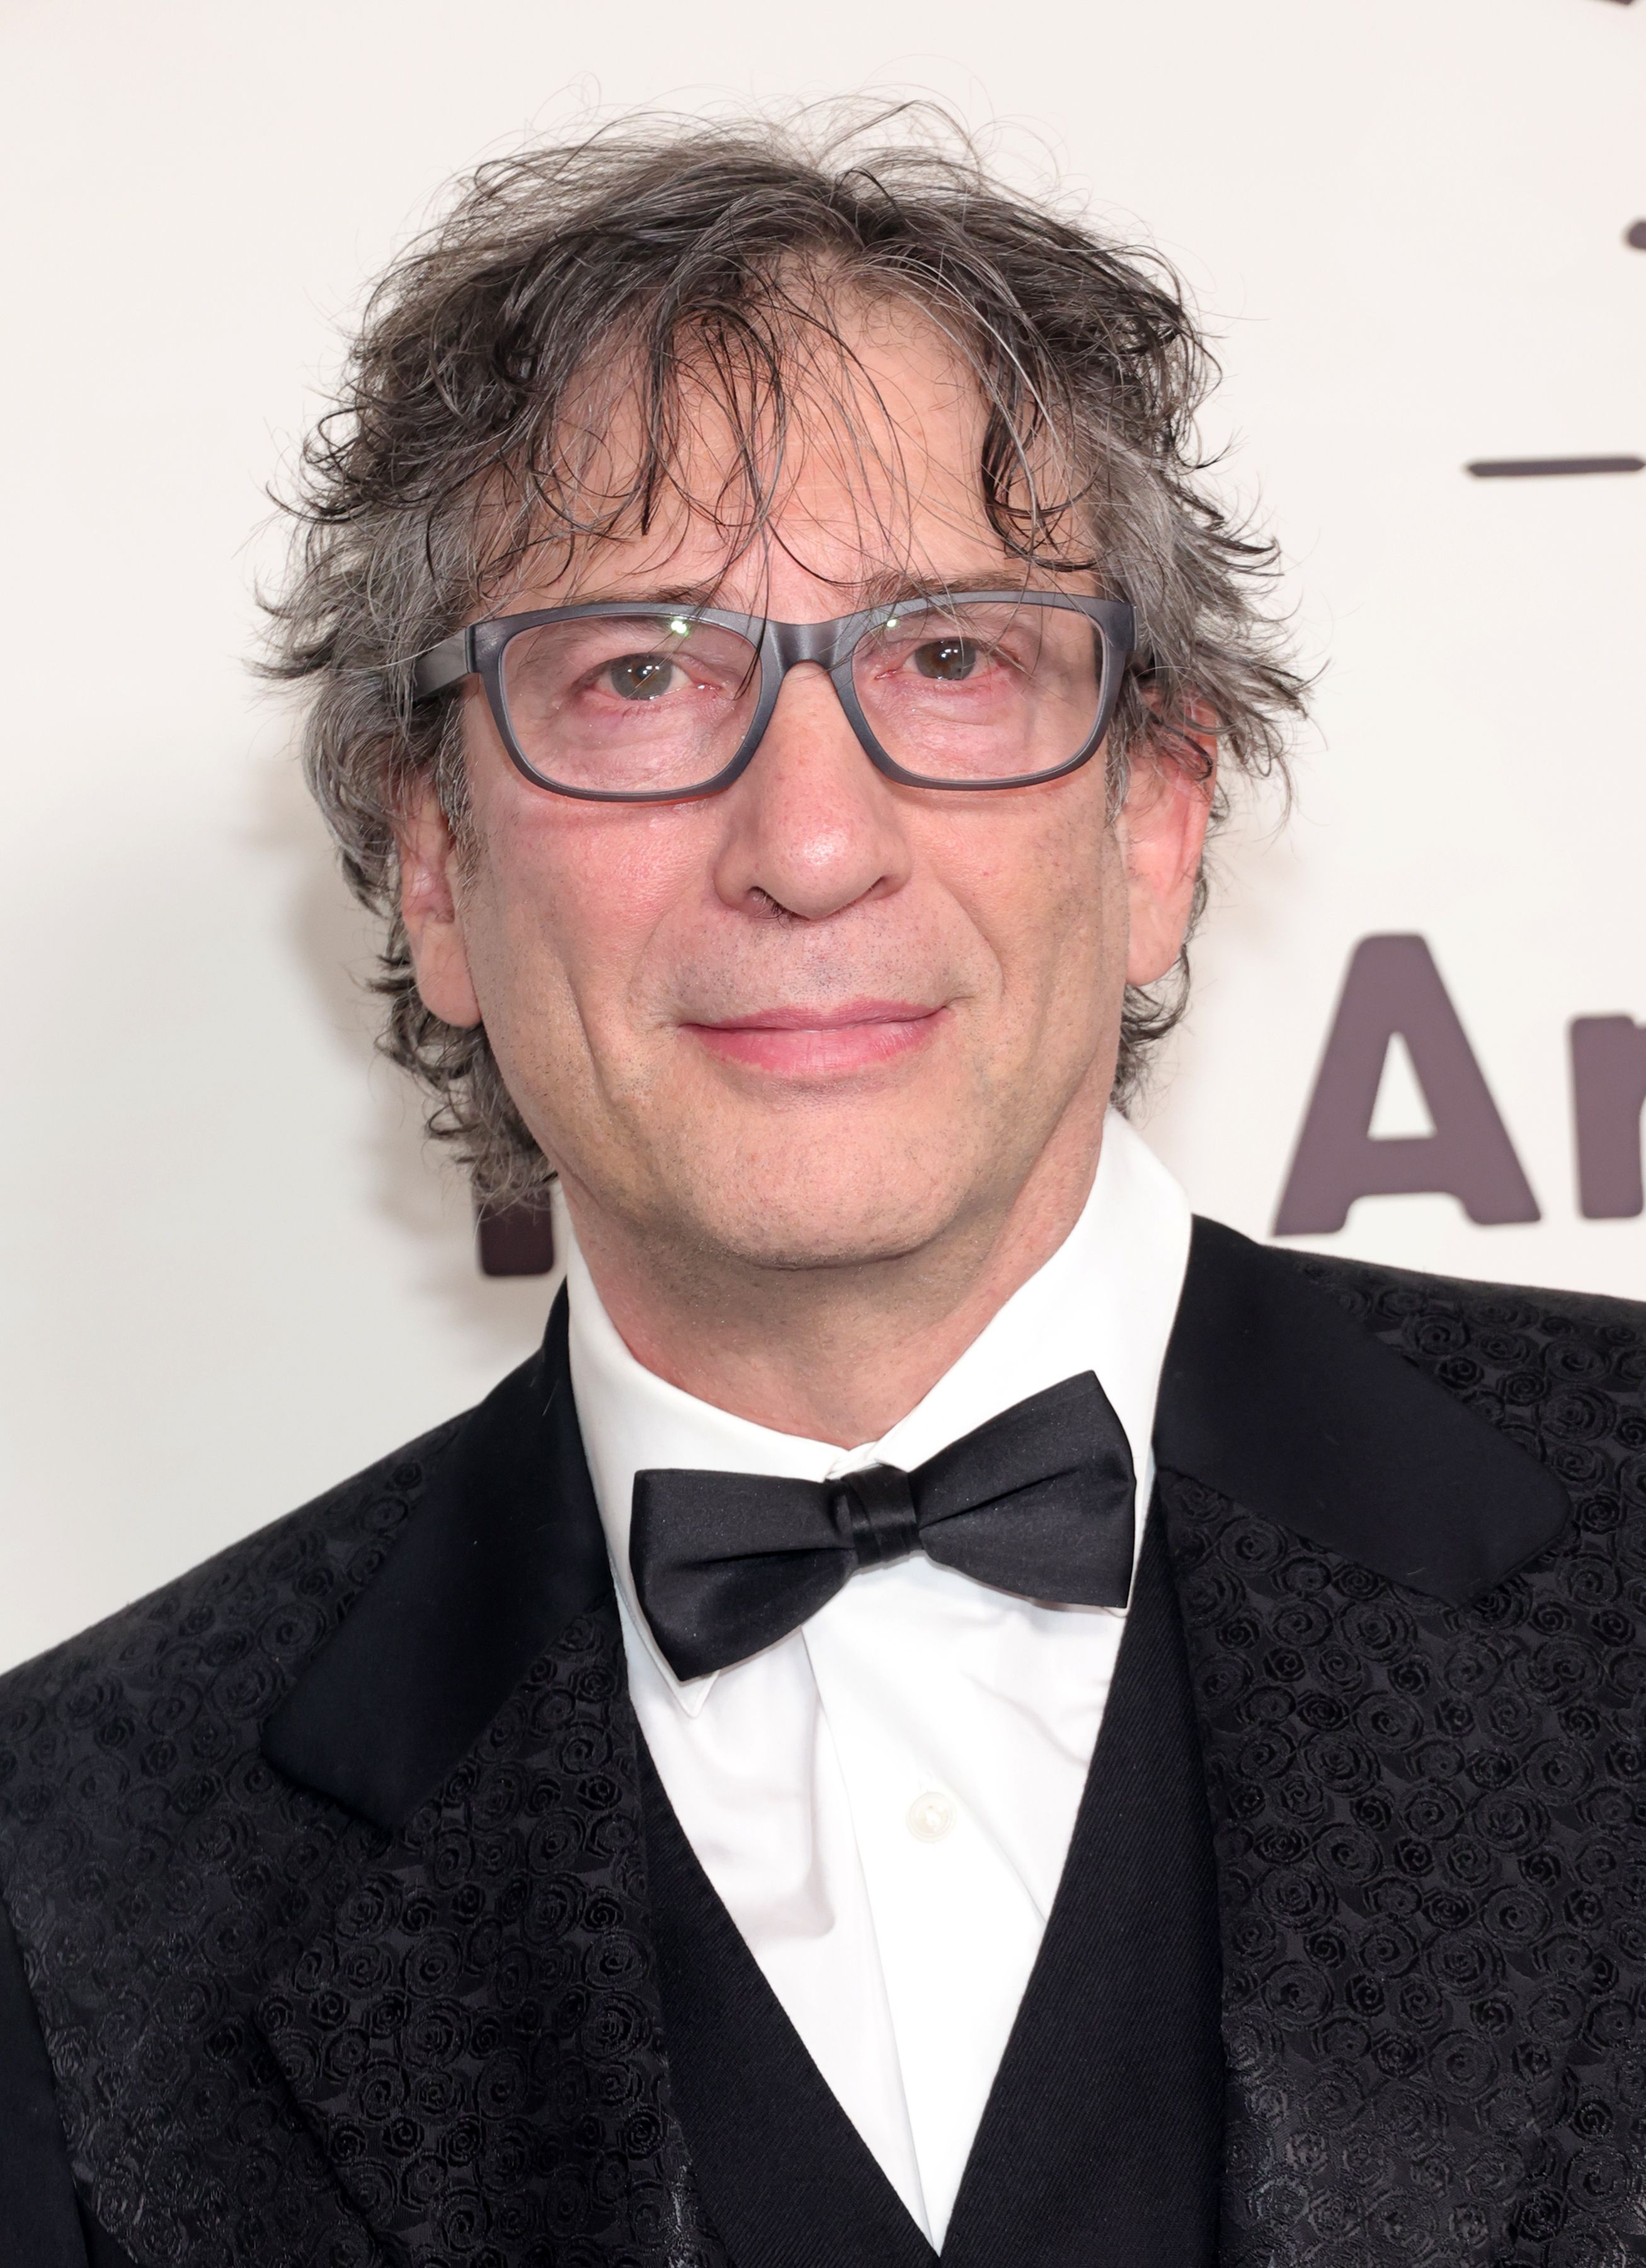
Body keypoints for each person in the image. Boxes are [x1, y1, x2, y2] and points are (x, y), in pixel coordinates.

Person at [1, 110, 1640, 2268]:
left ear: (1157, 820)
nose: (807, 841)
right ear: (437, 865)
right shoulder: (72, 1875)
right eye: (637, 673)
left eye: (947, 660)